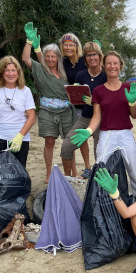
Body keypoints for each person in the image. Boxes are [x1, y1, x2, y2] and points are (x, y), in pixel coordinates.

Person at [70, 50, 136, 197]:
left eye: (115, 63)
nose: (112, 66)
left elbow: (134, 115)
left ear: (120, 66)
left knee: (135, 170)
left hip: (125, 133)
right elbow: (97, 116)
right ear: (104, 66)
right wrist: (88, 131)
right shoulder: (98, 90)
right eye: (109, 63)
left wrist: (132, 102)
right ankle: (100, 202)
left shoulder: (128, 88)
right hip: (106, 134)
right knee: (101, 168)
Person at [22, 22, 75, 183]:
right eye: (48, 56)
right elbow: (25, 58)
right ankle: (48, 173)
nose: (50, 59)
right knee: (49, 142)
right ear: (44, 57)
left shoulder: (65, 70)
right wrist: (29, 42)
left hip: (67, 111)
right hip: (47, 110)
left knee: (69, 143)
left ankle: (73, 172)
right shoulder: (40, 70)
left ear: (58, 57)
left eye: (53, 56)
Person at [60, 41, 107, 177]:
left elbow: (112, 99)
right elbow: (78, 101)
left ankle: (100, 180)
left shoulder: (105, 75)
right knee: (67, 146)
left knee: (99, 151)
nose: (92, 57)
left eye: (94, 54)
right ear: (84, 58)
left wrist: (95, 101)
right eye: (88, 55)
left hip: (103, 118)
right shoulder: (80, 75)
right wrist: (73, 95)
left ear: (100, 56)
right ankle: (68, 178)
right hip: (86, 116)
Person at [59, 33, 89, 179]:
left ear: (77, 46)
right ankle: (75, 172)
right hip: (73, 104)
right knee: (74, 138)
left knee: (83, 137)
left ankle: (88, 167)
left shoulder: (84, 60)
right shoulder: (63, 62)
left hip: (87, 103)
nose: (68, 47)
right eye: (66, 45)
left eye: (71, 44)